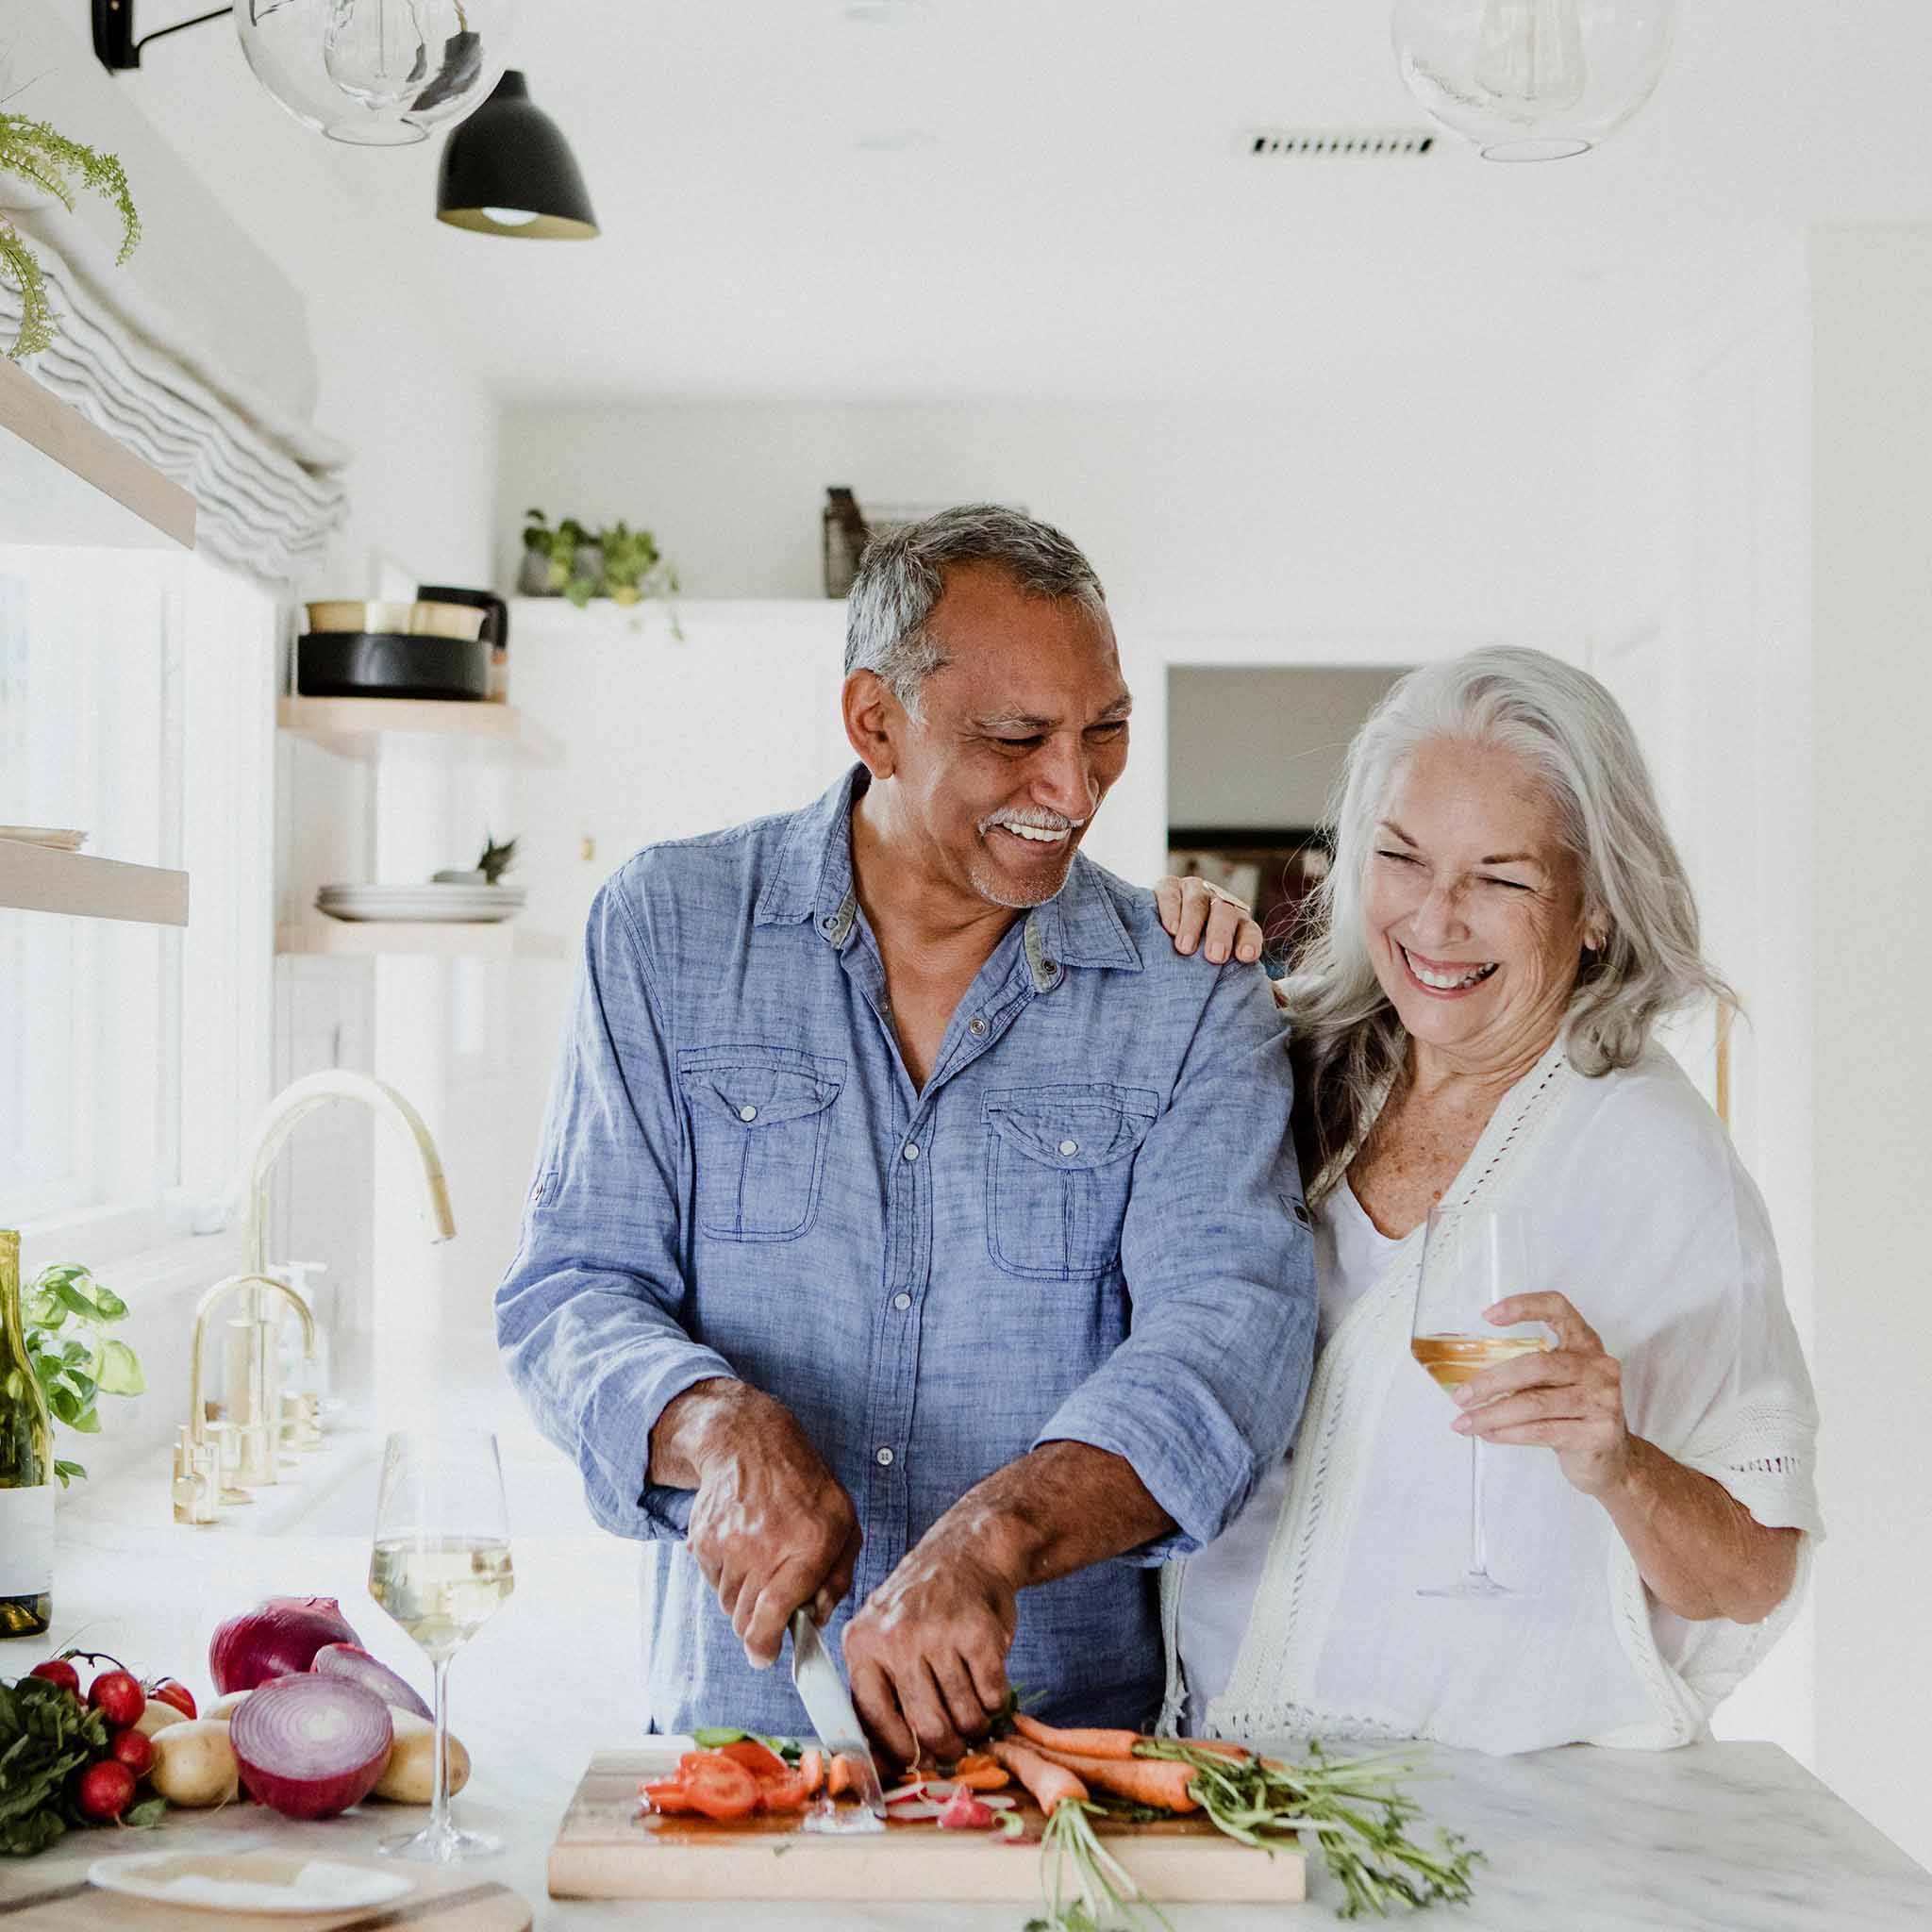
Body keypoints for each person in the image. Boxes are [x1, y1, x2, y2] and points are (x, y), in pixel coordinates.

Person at [496, 505, 1317, 1762]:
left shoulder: (1192, 992)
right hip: (736, 1747)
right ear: (874, 721)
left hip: (1059, 1757)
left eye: (1105, 732)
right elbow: (570, 1291)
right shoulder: (667, 931)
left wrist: (991, 1541)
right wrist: (717, 1428)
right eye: (1014, 739)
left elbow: (1226, 1348)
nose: (1074, 788)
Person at [1152, 646, 1820, 1753]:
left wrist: (1618, 1460)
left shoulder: (1649, 1157)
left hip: (1483, 1817)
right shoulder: (1287, 1066)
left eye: (1499, 878)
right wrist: (1162, 948)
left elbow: (1749, 1572)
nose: (1434, 918)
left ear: (1594, 907)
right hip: (1212, 1772)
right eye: (1401, 858)